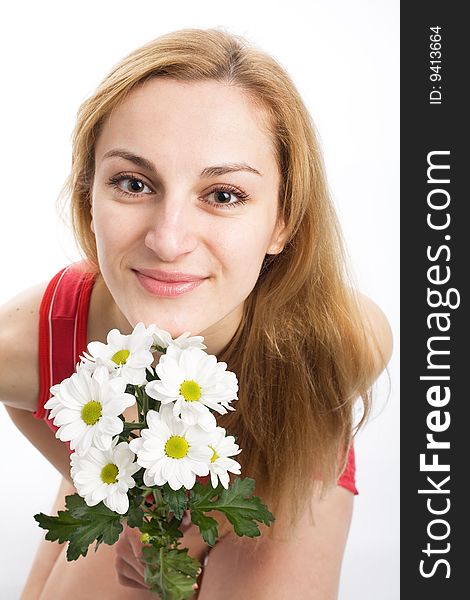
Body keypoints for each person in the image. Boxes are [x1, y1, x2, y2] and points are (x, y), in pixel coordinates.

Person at [0, 27, 392, 599]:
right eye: (134, 183)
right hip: (145, 462)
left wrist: (216, 522)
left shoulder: (338, 340)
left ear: (283, 220)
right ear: (89, 195)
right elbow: (28, 403)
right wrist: (125, 496)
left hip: (278, 458)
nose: (169, 239)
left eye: (224, 195)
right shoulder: (28, 344)